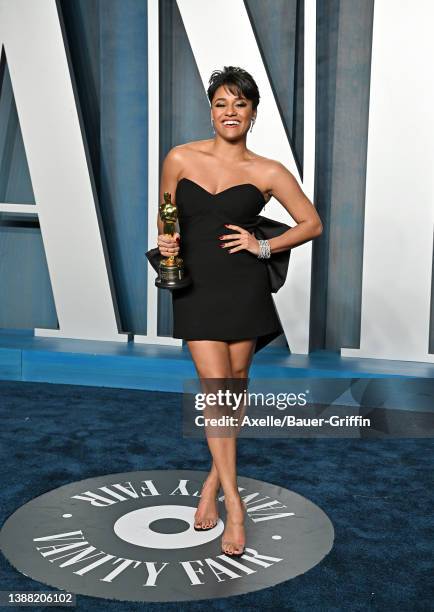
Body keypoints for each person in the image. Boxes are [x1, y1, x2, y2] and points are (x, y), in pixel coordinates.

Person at [156, 66, 323, 557]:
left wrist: (264, 247)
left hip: (243, 287)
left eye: (240, 104)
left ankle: (211, 483)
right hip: (197, 288)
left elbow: (311, 223)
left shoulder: (267, 171)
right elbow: (167, 220)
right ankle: (235, 501)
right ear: (211, 110)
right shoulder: (179, 158)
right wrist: (166, 242)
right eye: (221, 103)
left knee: (234, 384)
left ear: (252, 113)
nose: (230, 112)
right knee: (216, 390)